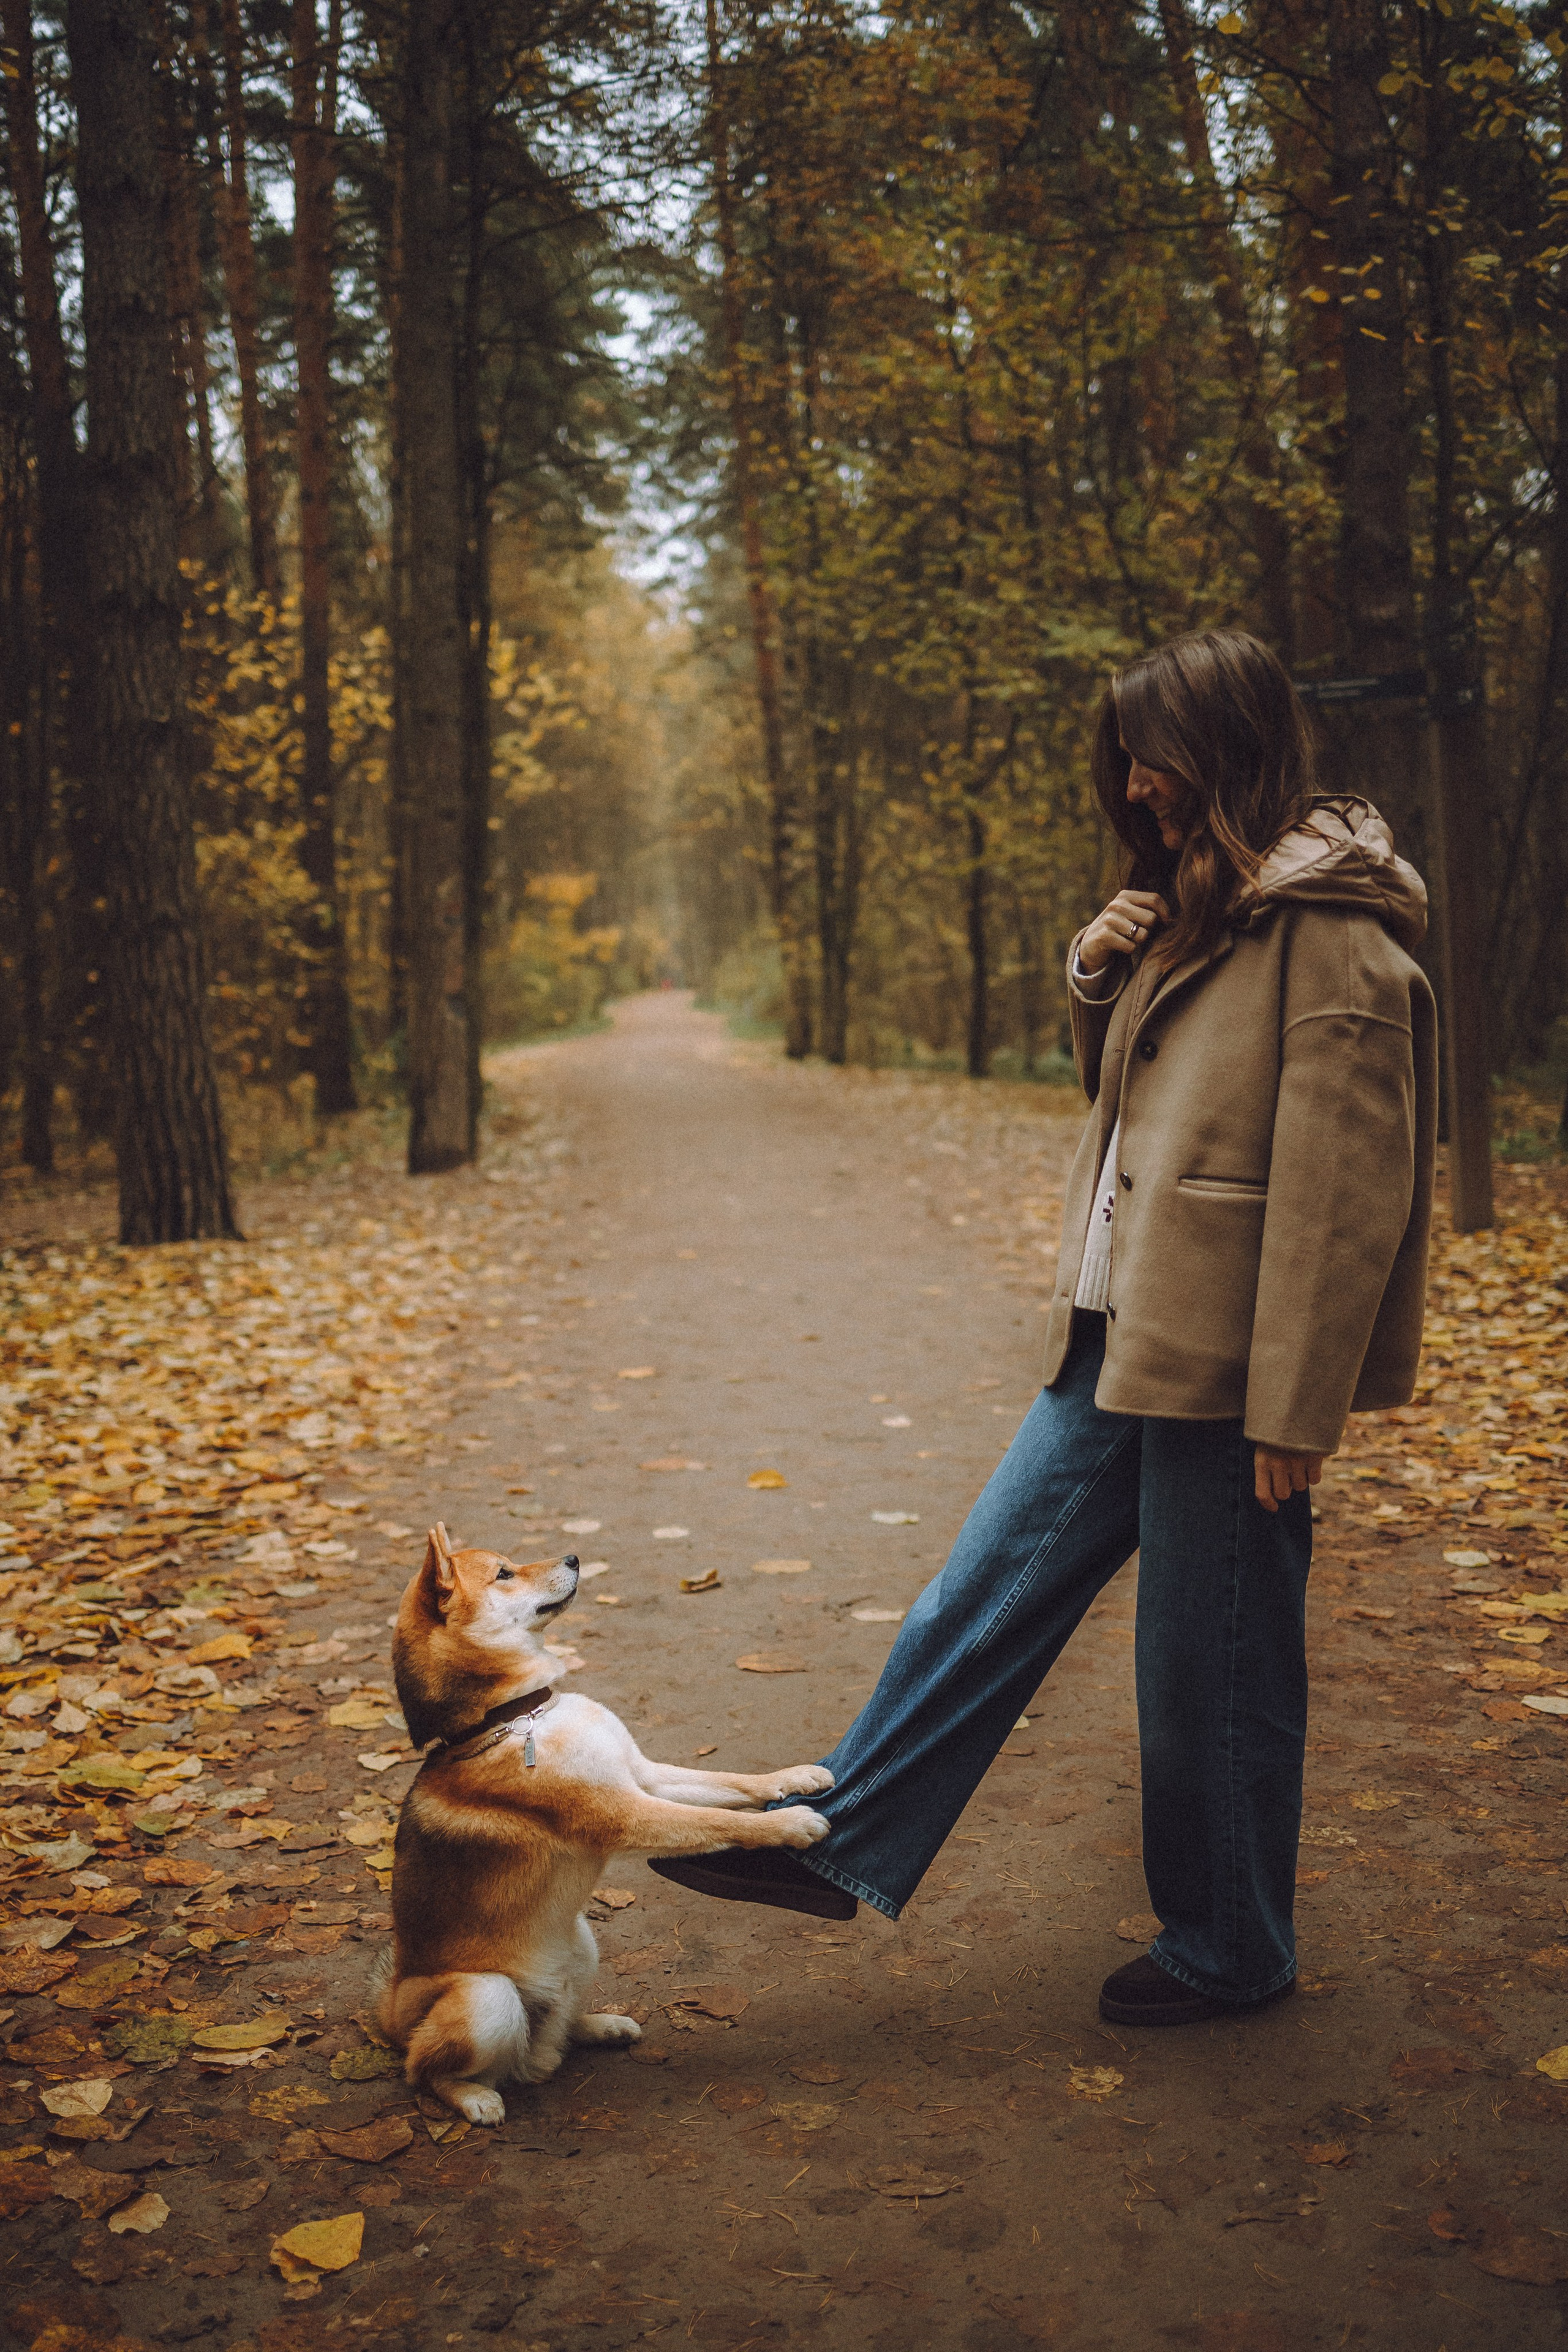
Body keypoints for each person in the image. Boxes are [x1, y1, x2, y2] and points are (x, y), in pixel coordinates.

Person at [652, 630, 1437, 2026]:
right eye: (1124, 759)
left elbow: (1343, 1203)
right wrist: (1094, 975)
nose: (1134, 784)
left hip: (1221, 1368)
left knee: (1209, 1672)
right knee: (975, 1599)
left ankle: (1230, 1947)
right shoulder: (1199, 903)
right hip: (1113, 1335)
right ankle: (844, 1848)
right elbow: (1129, 1109)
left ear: (1230, 747)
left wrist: (1294, 1410)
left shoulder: (1332, 935)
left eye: (1155, 755)